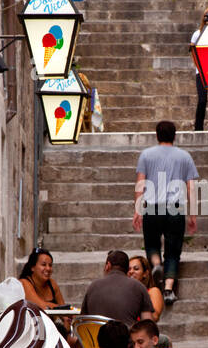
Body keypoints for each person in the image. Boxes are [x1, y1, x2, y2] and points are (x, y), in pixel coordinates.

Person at [133, 119, 199, 306]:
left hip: (152, 207)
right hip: (175, 208)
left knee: (152, 243)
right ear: (174, 136)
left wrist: (137, 210)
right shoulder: (184, 156)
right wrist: (192, 215)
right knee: (173, 251)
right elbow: (191, 188)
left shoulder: (146, 155)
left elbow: (140, 183)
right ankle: (168, 289)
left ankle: (155, 264)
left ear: (157, 135)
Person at [80, 249, 155, 328]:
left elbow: (83, 320)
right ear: (127, 269)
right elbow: (148, 324)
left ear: (108, 265)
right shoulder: (139, 287)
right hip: (126, 338)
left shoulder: (93, 286)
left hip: (95, 338)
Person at [127, 254, 164, 321]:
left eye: (136, 269)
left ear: (145, 274)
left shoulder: (153, 291)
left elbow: (154, 317)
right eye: (128, 269)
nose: (131, 272)